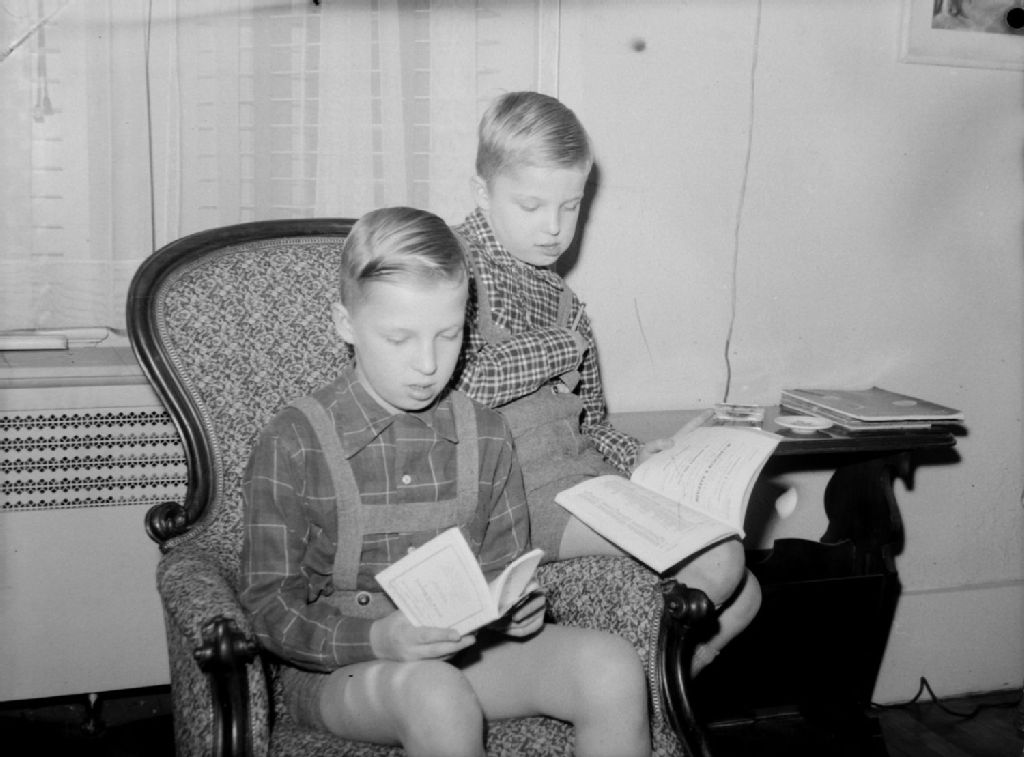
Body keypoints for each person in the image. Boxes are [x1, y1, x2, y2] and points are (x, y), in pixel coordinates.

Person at [239, 207, 650, 757]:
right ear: (345, 323)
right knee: (437, 694)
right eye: (399, 338)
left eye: (449, 335)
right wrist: (377, 637)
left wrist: (515, 609)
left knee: (612, 667)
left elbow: (502, 568)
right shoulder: (293, 440)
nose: (428, 364)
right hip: (345, 668)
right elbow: (268, 608)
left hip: (464, 652)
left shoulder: (488, 432)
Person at [452, 91, 760, 675]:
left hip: (579, 482)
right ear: (482, 192)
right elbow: (466, 383)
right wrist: (564, 344)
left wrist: (640, 455)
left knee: (746, 596)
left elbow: (589, 422)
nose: (553, 228)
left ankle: (647, 701)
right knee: (719, 561)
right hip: (510, 496)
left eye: (570, 206)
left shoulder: (563, 299)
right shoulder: (450, 267)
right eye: (531, 205)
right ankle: (629, 697)